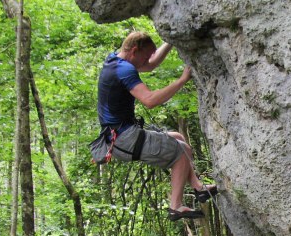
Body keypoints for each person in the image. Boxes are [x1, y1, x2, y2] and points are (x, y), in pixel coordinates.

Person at [91, 31, 216, 221]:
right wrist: (182, 80)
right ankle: (175, 207)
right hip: (124, 139)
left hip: (118, 136)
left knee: (179, 138)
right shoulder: (125, 70)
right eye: (146, 54)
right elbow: (149, 100)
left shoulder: (115, 61)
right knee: (179, 151)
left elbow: (150, 65)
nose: (148, 59)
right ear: (134, 51)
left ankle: (199, 188)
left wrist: (170, 42)